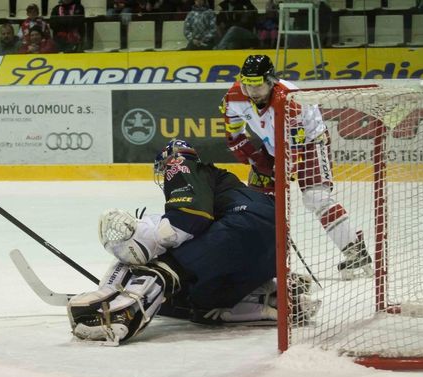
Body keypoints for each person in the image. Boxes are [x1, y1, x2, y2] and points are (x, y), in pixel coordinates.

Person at [67, 139, 320, 345]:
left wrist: (149, 244)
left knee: (166, 268)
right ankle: (270, 297)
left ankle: (121, 316)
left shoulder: (179, 163)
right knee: (202, 303)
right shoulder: (218, 180)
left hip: (242, 227)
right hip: (274, 248)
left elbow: (188, 220)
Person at [220, 55, 373, 280]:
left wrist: (280, 173)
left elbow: (295, 147)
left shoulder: (291, 100)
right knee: (256, 205)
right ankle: (256, 260)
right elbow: (234, 135)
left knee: (316, 198)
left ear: (271, 81)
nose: (252, 91)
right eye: (247, 85)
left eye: (258, 85)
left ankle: (354, 250)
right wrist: (257, 160)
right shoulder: (234, 97)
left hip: (311, 142)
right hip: (272, 146)